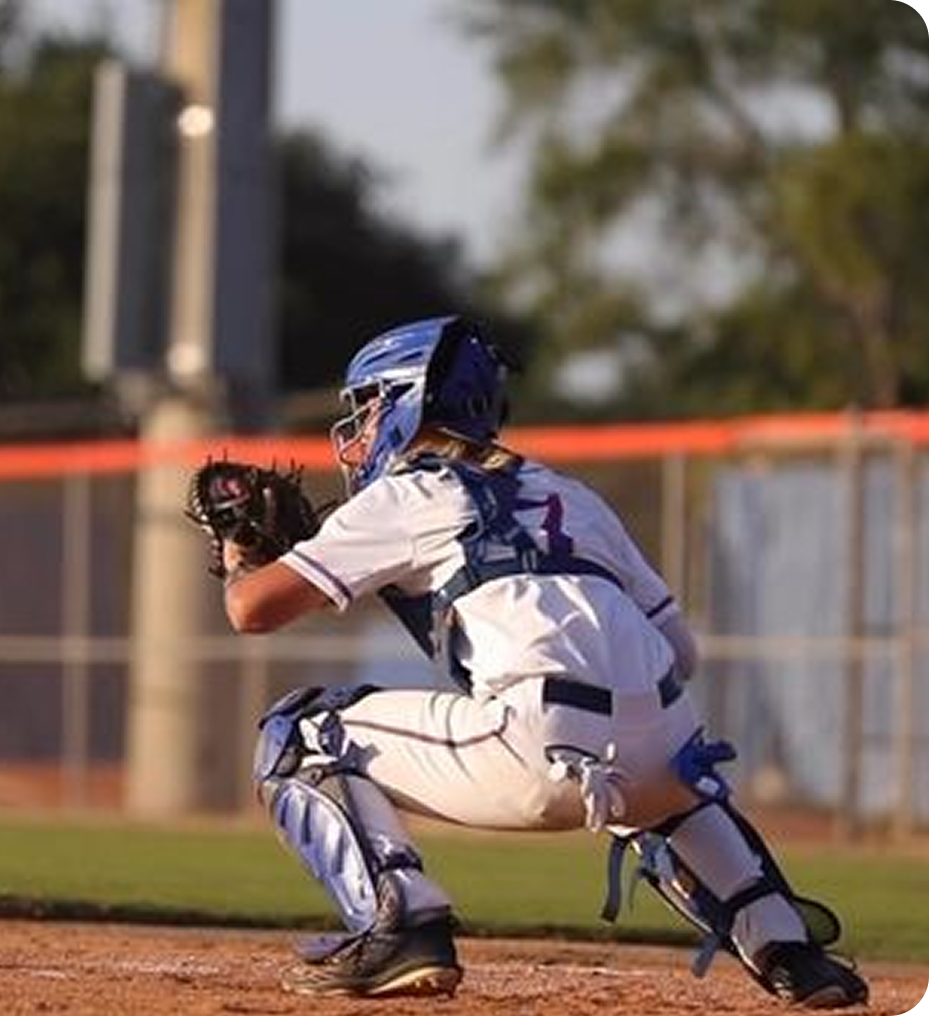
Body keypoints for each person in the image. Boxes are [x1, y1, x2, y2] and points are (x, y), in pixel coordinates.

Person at [219, 315, 869, 1007]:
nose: (360, 429)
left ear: (410, 399)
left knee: (297, 733)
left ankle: (400, 925)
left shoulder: (406, 493)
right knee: (669, 773)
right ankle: (788, 948)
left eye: (372, 405)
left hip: (533, 742)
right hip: (668, 737)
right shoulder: (569, 495)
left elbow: (251, 610)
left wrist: (240, 554)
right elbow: (682, 652)